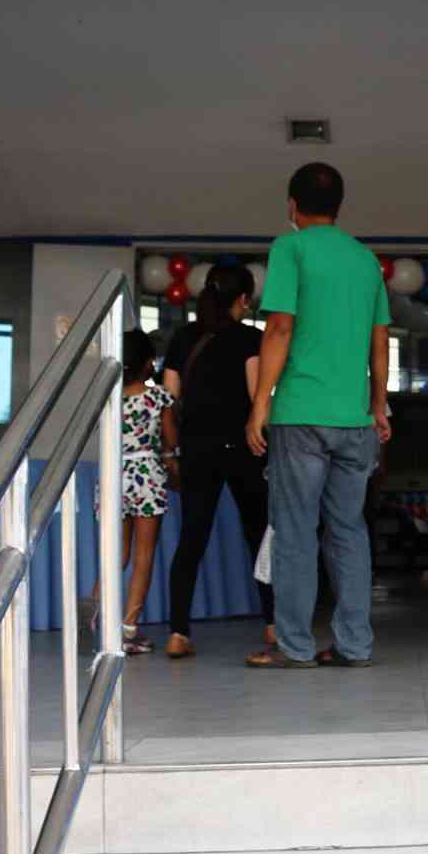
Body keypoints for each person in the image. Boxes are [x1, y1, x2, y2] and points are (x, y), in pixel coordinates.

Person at [245, 162, 392, 670]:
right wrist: (377, 406)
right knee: (348, 531)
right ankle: (354, 645)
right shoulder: (365, 261)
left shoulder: (290, 249)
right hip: (354, 420)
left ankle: (295, 646)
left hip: (302, 416)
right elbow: (379, 341)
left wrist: (260, 402)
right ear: (339, 206)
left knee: (295, 531)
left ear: (292, 204)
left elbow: (279, 328)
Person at [161, 263, 272, 658]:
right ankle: (274, 624)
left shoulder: (183, 338)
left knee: (191, 539)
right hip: (243, 446)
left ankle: (178, 632)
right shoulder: (250, 338)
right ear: (242, 299)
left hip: (196, 449)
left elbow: (169, 400)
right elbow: (257, 396)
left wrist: (172, 450)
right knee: (259, 534)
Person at [113, 330, 174, 656]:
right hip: (146, 476)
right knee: (143, 556)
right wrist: (174, 466)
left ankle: (95, 615)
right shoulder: (158, 397)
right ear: (148, 363)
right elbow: (170, 442)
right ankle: (127, 629)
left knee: (115, 554)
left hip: (114, 475)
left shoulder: (109, 399)